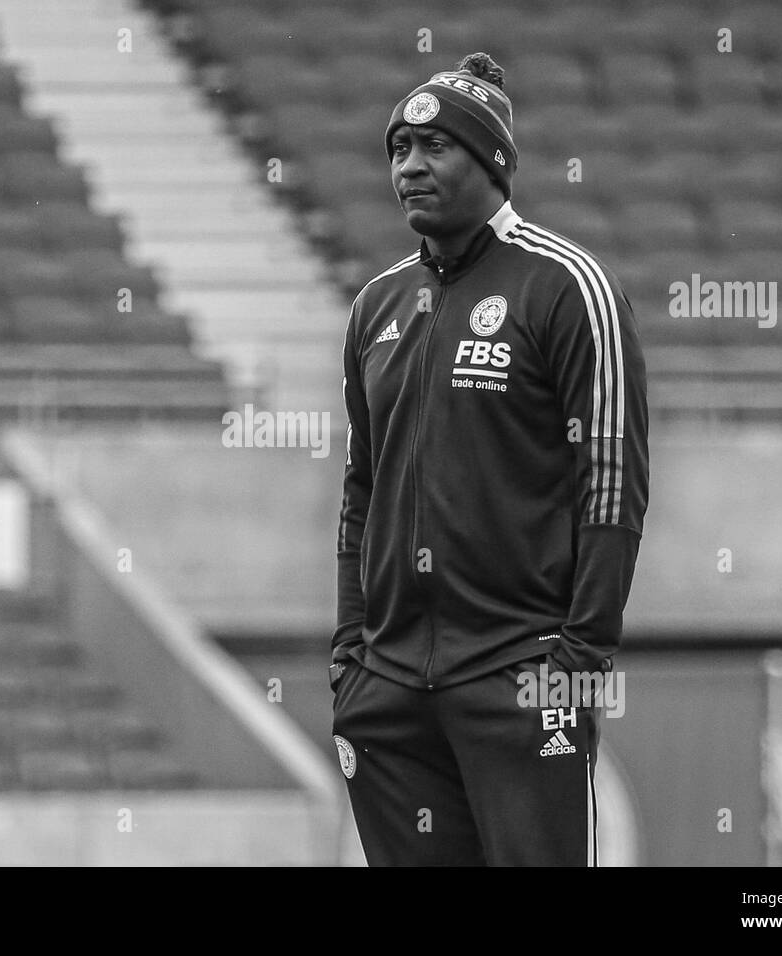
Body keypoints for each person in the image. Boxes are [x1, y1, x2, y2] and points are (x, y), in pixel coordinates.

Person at [330, 52, 649, 866]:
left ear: (492, 163)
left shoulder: (569, 286)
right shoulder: (377, 306)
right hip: (391, 690)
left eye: (434, 148)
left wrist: (579, 663)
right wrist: (350, 651)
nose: (410, 167)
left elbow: (611, 484)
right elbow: (361, 487)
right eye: (399, 149)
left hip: (525, 675)